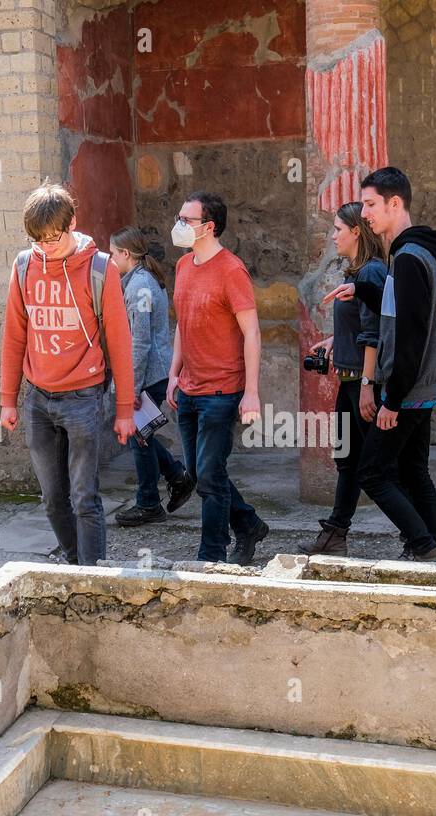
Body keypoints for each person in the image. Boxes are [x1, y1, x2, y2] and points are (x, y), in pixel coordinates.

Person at [0, 183, 136, 565]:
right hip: (38, 399)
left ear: (73, 223)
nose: (46, 246)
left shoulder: (100, 268)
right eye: (38, 239)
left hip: (83, 399)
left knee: (84, 497)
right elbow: (14, 334)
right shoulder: (25, 266)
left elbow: (120, 342)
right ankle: (75, 567)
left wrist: (125, 409)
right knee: (52, 498)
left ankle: (93, 576)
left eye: (54, 238)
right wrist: (8, 399)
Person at [165, 191, 269, 565]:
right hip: (190, 387)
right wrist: (173, 373)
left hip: (223, 390)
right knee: (199, 471)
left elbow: (252, 333)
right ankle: (248, 523)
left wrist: (252, 393)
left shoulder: (231, 270)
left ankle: (211, 555)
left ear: (209, 227)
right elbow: (183, 324)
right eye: (179, 217)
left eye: (186, 220)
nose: (178, 225)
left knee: (209, 475)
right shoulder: (183, 266)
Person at [354, 167, 436, 562]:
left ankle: (423, 546)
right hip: (422, 387)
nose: (364, 213)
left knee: (372, 473)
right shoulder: (415, 255)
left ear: (396, 204)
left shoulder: (409, 259)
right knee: (414, 472)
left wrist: (391, 400)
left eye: (371, 204)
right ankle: (435, 551)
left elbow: (410, 336)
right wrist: (361, 289)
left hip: (407, 390)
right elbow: (401, 313)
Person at [299, 201, 388, 556]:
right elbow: (362, 321)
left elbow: (378, 329)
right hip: (349, 380)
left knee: (378, 470)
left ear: (356, 231)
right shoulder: (358, 272)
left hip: (363, 383)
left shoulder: (372, 273)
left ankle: (421, 537)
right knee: (348, 461)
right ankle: (336, 533)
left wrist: (367, 386)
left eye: (337, 228)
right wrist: (338, 339)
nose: (332, 235)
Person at [108, 226, 195, 526]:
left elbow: (140, 341)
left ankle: (149, 504)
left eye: (113, 254)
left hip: (149, 375)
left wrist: (130, 386)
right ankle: (176, 476)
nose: (110, 259)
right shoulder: (139, 281)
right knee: (140, 435)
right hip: (152, 373)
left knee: (139, 438)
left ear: (126, 254)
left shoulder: (139, 287)